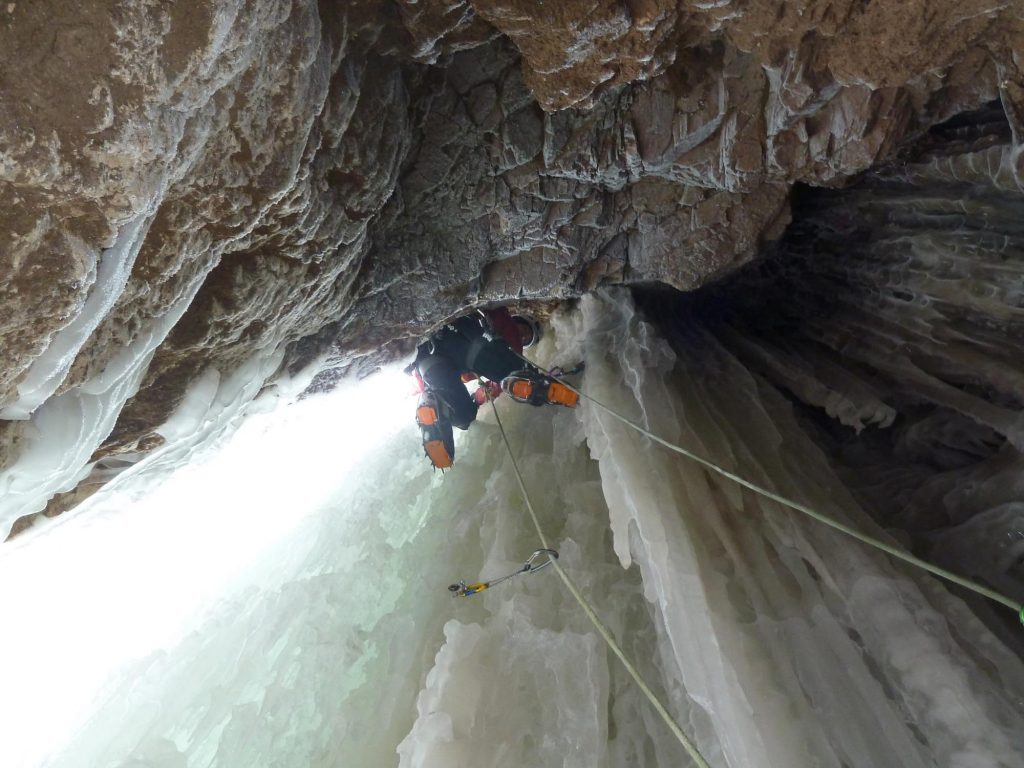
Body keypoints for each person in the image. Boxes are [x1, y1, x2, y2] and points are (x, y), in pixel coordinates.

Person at [408, 307, 578, 469]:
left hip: (429, 358)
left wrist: (480, 397)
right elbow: (498, 315)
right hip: (461, 335)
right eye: (526, 329)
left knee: (463, 415)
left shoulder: (493, 353)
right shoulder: (505, 331)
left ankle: (432, 405)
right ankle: (528, 383)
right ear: (517, 321)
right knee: (509, 366)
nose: (524, 335)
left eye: (528, 339)